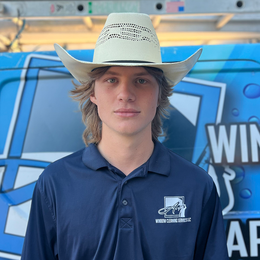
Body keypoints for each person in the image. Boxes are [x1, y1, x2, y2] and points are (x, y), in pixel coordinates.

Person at [21, 13, 229, 260]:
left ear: (160, 95)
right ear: (93, 93)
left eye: (141, 80)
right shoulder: (55, 183)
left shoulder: (197, 185)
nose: (125, 94)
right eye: (111, 79)